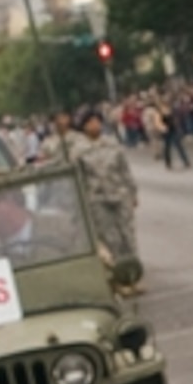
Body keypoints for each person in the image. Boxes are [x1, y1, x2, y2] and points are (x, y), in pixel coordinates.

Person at [68, 108, 141, 284]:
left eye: (97, 121)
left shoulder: (112, 144)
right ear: (84, 127)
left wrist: (133, 192)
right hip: (96, 198)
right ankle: (118, 279)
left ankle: (134, 275)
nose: (95, 125)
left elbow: (124, 169)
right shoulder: (78, 150)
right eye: (90, 122)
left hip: (119, 193)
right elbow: (77, 178)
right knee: (110, 239)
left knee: (128, 236)